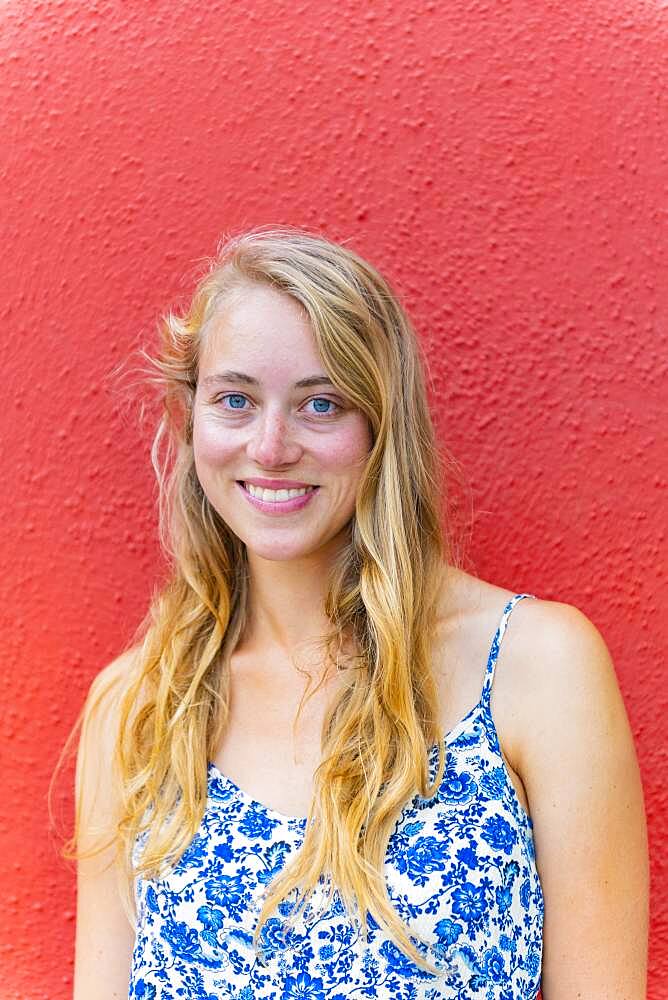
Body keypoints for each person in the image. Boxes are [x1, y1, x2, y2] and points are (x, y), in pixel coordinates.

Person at [69, 226, 649, 999]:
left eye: (322, 403)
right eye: (235, 399)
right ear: (191, 418)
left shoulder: (536, 668)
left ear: (381, 428)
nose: (270, 447)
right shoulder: (140, 708)